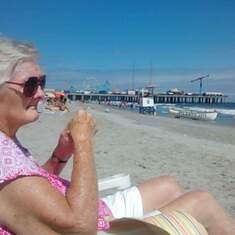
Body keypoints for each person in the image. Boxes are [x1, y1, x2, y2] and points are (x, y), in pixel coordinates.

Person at [0, 38, 234, 235]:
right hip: (92, 223)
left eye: (42, 83)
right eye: (31, 85)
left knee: (168, 185)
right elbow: (80, 226)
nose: (41, 94)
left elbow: (33, 189)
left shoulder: (7, 143)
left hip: (89, 210)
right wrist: (84, 143)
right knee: (202, 202)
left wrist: (59, 156)